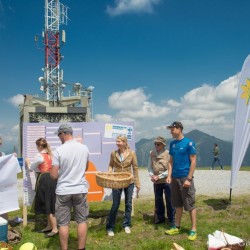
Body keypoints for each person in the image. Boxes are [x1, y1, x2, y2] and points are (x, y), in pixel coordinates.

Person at [50, 124, 89, 250]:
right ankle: (81, 248)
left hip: (63, 190)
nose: (58, 137)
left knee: (63, 223)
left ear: (63, 134)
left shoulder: (58, 150)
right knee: (82, 220)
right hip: (80, 189)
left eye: (58, 135)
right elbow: (86, 168)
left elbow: (54, 175)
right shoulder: (84, 148)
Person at [165, 121, 197, 241]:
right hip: (175, 178)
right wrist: (169, 175)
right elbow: (171, 161)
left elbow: (193, 161)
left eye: (172, 129)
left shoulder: (189, 143)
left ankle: (193, 229)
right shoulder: (172, 144)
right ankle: (177, 226)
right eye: (170, 129)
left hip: (185, 177)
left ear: (179, 129)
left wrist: (189, 178)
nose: (171, 131)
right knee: (178, 204)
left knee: (190, 204)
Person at [106, 135, 141, 237]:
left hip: (129, 181)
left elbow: (135, 168)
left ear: (125, 143)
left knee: (128, 203)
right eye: (116, 141)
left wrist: (137, 183)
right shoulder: (113, 153)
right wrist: (109, 172)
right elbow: (110, 165)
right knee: (115, 204)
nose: (117, 143)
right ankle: (110, 227)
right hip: (117, 181)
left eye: (119, 141)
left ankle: (126, 224)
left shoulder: (132, 153)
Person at [25, 138, 58, 237]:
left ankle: (55, 229)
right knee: (50, 202)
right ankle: (49, 226)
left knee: (47, 203)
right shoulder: (51, 155)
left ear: (39, 146)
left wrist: (27, 162)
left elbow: (31, 168)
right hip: (53, 179)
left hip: (44, 179)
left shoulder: (39, 156)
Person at [148, 136, 175, 225]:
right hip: (156, 181)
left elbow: (170, 168)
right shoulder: (152, 153)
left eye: (158, 144)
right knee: (158, 200)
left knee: (170, 200)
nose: (156, 145)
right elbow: (150, 167)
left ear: (163, 145)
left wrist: (158, 176)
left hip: (167, 180)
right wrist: (152, 175)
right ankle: (160, 218)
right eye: (155, 144)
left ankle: (172, 219)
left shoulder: (168, 154)